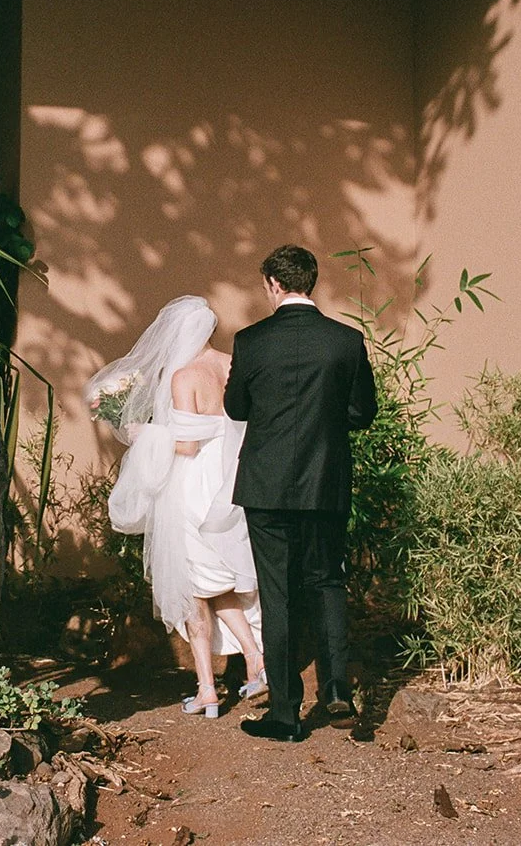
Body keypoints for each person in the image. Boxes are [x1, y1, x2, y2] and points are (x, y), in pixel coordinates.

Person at [86, 296, 267, 718]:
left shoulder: (183, 376)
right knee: (220, 581)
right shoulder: (230, 364)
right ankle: (255, 661)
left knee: (192, 590)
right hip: (230, 482)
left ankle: (209, 689)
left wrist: (142, 433)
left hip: (192, 487)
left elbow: (184, 444)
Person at [225, 245, 377, 742]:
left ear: (273, 283)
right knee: (328, 582)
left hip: (266, 486)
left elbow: (236, 409)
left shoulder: (250, 341)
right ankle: (337, 689)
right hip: (324, 481)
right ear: (311, 282)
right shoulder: (346, 341)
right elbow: (362, 412)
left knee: (278, 595)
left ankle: (287, 715)